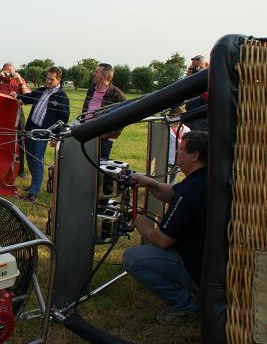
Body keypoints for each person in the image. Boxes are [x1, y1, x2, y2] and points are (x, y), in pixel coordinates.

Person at [123, 131, 208, 323]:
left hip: (195, 267)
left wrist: (143, 227)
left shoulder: (192, 191)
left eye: (181, 149)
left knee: (133, 259)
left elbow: (163, 240)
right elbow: (172, 193)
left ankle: (187, 306)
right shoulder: (203, 178)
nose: (176, 153)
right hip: (207, 262)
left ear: (195, 156)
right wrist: (151, 183)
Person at [12, 67, 69, 202]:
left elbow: (63, 119)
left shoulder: (62, 97)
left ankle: (34, 192)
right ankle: (34, 185)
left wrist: (55, 136)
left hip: (43, 133)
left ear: (59, 80)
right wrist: (16, 95)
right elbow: (28, 98)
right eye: (47, 78)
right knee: (30, 158)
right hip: (30, 129)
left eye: (51, 79)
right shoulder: (41, 91)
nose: (48, 81)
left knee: (37, 159)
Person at [81, 63, 126, 195]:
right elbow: (86, 109)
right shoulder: (92, 89)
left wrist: (107, 134)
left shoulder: (117, 94)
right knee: (85, 164)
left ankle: (102, 194)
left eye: (97, 72)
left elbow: (124, 119)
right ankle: (85, 191)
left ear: (105, 76)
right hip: (86, 133)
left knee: (100, 166)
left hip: (103, 138)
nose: (93, 74)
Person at [0, 63, 31, 177]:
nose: (9, 75)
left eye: (11, 72)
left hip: (16, 112)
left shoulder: (18, 80)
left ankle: (20, 171)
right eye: (7, 72)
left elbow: (29, 96)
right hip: (0, 114)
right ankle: (0, 166)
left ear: (15, 72)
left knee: (20, 140)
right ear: (2, 71)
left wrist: (20, 80)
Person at [185, 55, 209, 131]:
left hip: (205, 118)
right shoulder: (186, 82)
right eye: (193, 69)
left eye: (199, 68)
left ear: (207, 66)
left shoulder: (213, 79)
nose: (196, 72)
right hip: (190, 118)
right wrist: (188, 79)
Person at [168, 104, 190, 184]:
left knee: (173, 183)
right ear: (174, 115)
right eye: (181, 115)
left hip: (177, 163)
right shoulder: (166, 128)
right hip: (166, 162)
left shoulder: (186, 129)